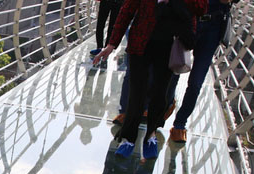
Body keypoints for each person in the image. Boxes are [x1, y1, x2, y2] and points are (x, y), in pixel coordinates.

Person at [93, 0, 207, 160]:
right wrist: (111, 44)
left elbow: (201, 8)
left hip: (170, 44)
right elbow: (127, 10)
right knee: (137, 92)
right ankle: (129, 138)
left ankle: (150, 135)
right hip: (141, 41)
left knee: (159, 92)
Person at [169, 0, 238, 143]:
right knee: (175, 68)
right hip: (189, 18)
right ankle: (167, 103)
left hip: (214, 26)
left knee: (195, 83)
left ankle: (179, 124)